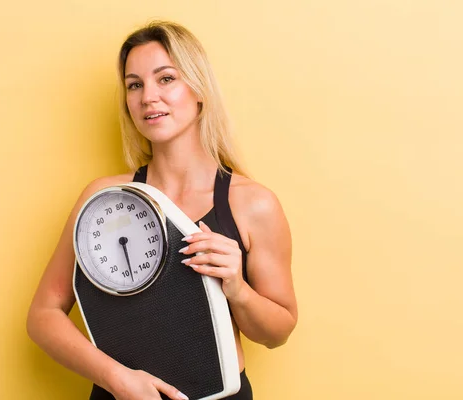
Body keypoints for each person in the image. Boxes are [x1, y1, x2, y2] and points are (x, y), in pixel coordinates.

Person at [26, 20, 298, 400]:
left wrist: (237, 287)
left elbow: (277, 333)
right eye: (134, 84)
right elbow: (42, 316)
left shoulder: (252, 204)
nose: (147, 97)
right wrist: (116, 379)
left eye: (166, 78)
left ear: (199, 89)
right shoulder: (104, 199)